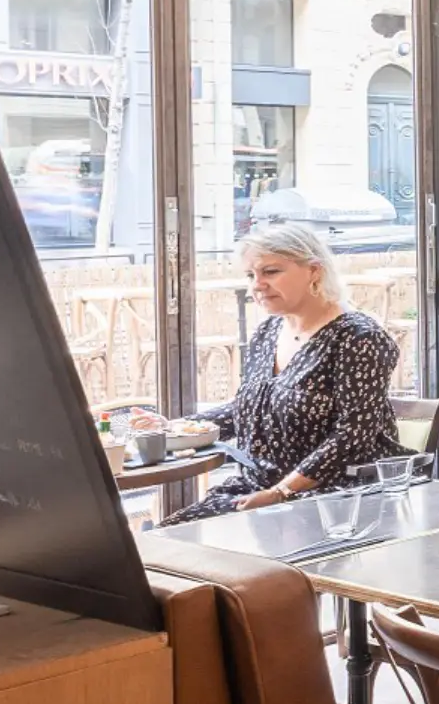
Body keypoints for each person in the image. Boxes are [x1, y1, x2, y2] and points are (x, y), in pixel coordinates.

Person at [169, 222, 399, 520]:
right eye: (251, 275)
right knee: (159, 544)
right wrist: (172, 429)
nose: (257, 285)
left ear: (314, 271)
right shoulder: (268, 331)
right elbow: (249, 410)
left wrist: (281, 491)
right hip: (259, 490)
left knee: (179, 554)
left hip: (337, 496)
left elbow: (353, 437)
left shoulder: (358, 338)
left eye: (271, 272)